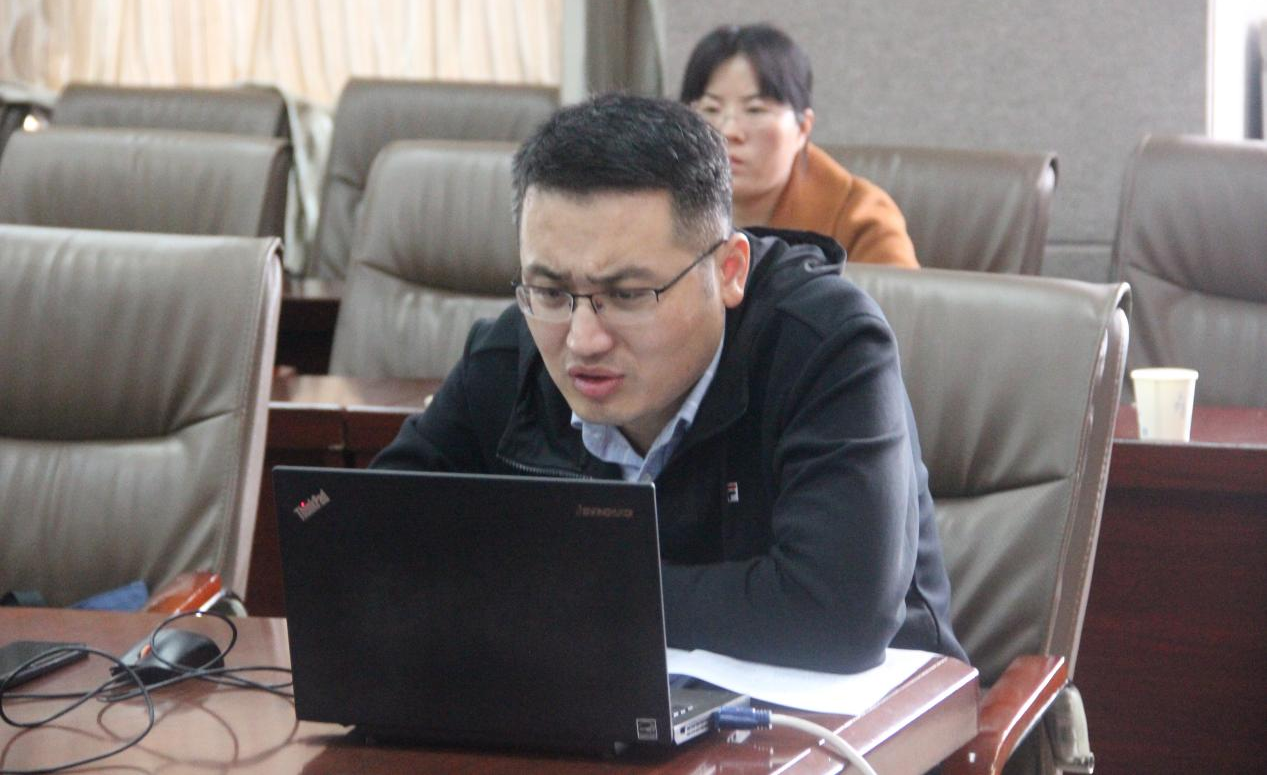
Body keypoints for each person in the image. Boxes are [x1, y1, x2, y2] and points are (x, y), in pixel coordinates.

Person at [372, 94, 964, 673]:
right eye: (550, 291)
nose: (582, 339)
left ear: (729, 271)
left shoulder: (823, 343)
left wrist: (564, 589)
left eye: (628, 295)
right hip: (607, 706)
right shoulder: (513, 354)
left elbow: (837, 614)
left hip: (867, 721)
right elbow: (373, 537)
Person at [680, 24, 919, 268]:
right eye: (711, 109)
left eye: (755, 110)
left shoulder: (860, 218)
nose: (728, 131)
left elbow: (899, 292)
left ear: (803, 127)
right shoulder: (663, 207)